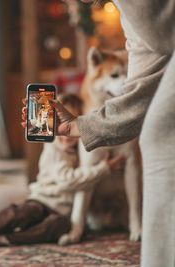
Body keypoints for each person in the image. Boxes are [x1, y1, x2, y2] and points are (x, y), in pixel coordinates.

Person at [23, 1, 175, 266]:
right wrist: (75, 127)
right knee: (155, 135)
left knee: (160, 135)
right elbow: (141, 85)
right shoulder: (131, 22)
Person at [0, 94, 124, 251]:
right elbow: (67, 180)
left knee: (58, 226)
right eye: (59, 122)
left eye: (69, 123)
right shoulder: (53, 146)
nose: (65, 135)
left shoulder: (81, 151)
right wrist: (103, 169)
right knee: (20, 213)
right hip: (42, 200)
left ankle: (4, 239)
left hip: (61, 212)